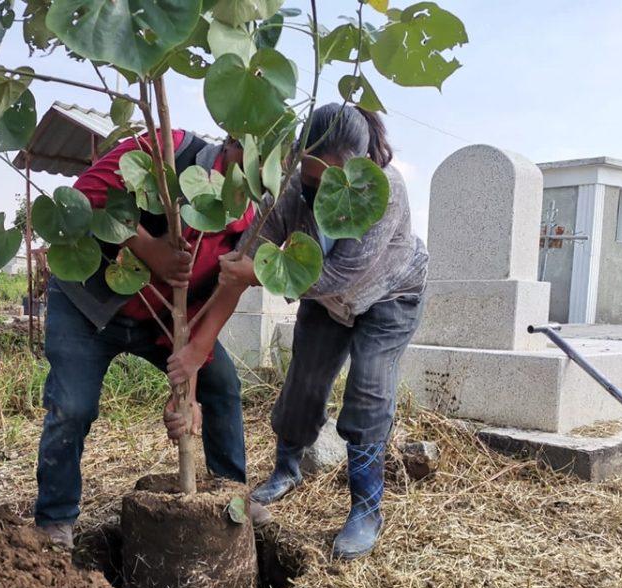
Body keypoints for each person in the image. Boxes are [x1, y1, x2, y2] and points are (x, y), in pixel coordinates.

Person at [166, 104, 428, 560]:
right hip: (325, 300)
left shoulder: (386, 193)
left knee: (368, 386)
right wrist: (233, 277)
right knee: (304, 382)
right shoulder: (295, 185)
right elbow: (261, 245)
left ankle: (367, 507)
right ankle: (287, 467)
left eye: (324, 176)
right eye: (306, 172)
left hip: (389, 295)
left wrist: (257, 275)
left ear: (355, 165)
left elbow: (345, 273)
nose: (313, 184)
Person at [35, 130, 269, 549]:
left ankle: (233, 493)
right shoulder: (170, 150)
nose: (256, 178)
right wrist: (149, 249)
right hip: (90, 302)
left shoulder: (250, 219)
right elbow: (82, 197)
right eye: (254, 161)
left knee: (222, 387)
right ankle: (55, 517)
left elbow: (212, 298)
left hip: (161, 320)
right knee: (72, 405)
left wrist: (186, 391)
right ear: (235, 142)